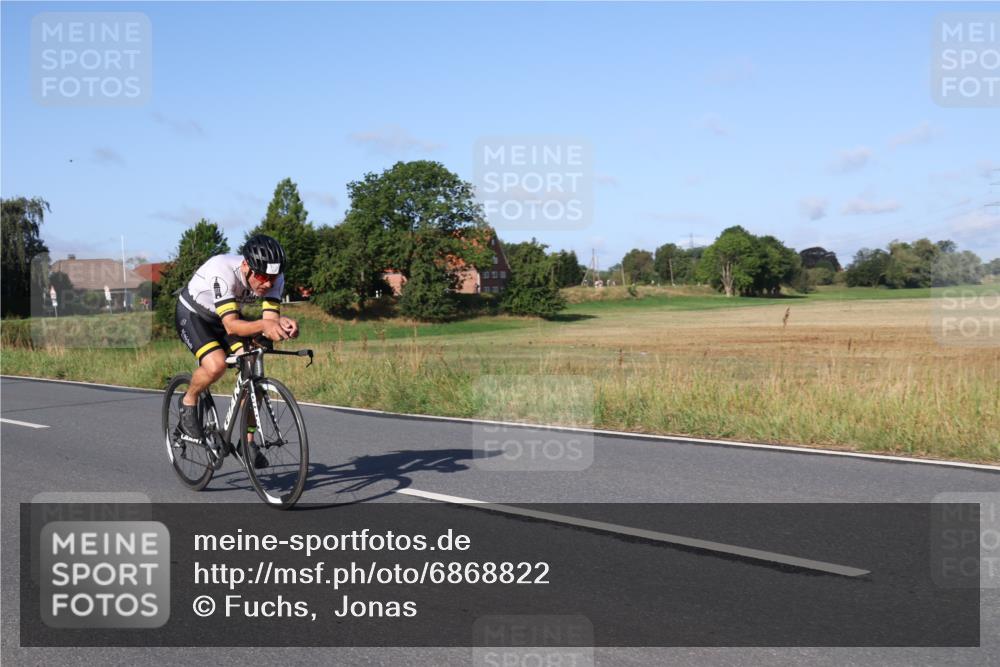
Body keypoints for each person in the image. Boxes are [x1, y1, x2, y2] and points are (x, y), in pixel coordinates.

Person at [173, 235, 299, 466]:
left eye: (272, 278)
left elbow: (269, 320)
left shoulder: (274, 277)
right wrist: (265, 326)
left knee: (253, 369)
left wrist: (282, 326)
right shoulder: (222, 270)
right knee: (216, 365)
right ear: (246, 266)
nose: (268, 284)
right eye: (262, 277)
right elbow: (231, 326)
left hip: (226, 316)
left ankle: (246, 442)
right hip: (194, 314)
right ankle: (188, 401)